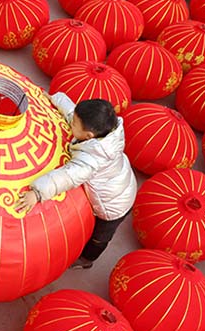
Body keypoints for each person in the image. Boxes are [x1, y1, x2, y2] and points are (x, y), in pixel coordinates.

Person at [15, 93, 137, 269]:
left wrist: (37, 193)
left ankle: (87, 260)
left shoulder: (92, 159)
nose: (71, 123)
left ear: (88, 136)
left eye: (74, 125)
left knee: (99, 237)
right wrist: (54, 98)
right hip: (122, 183)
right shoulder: (106, 130)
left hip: (114, 205)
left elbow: (67, 176)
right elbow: (73, 113)